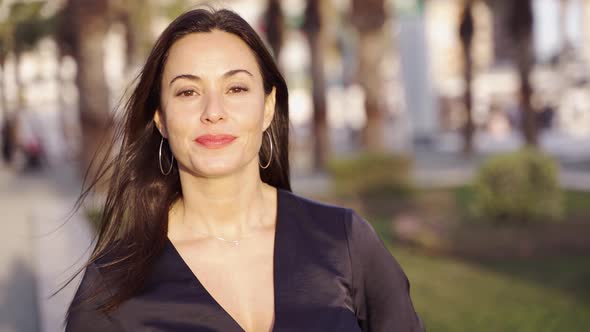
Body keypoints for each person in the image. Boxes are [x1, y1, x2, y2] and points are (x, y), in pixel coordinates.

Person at [65, 8, 424, 332]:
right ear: (160, 118)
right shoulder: (112, 284)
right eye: (188, 92)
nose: (214, 111)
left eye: (236, 88)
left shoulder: (343, 241)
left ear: (267, 106)